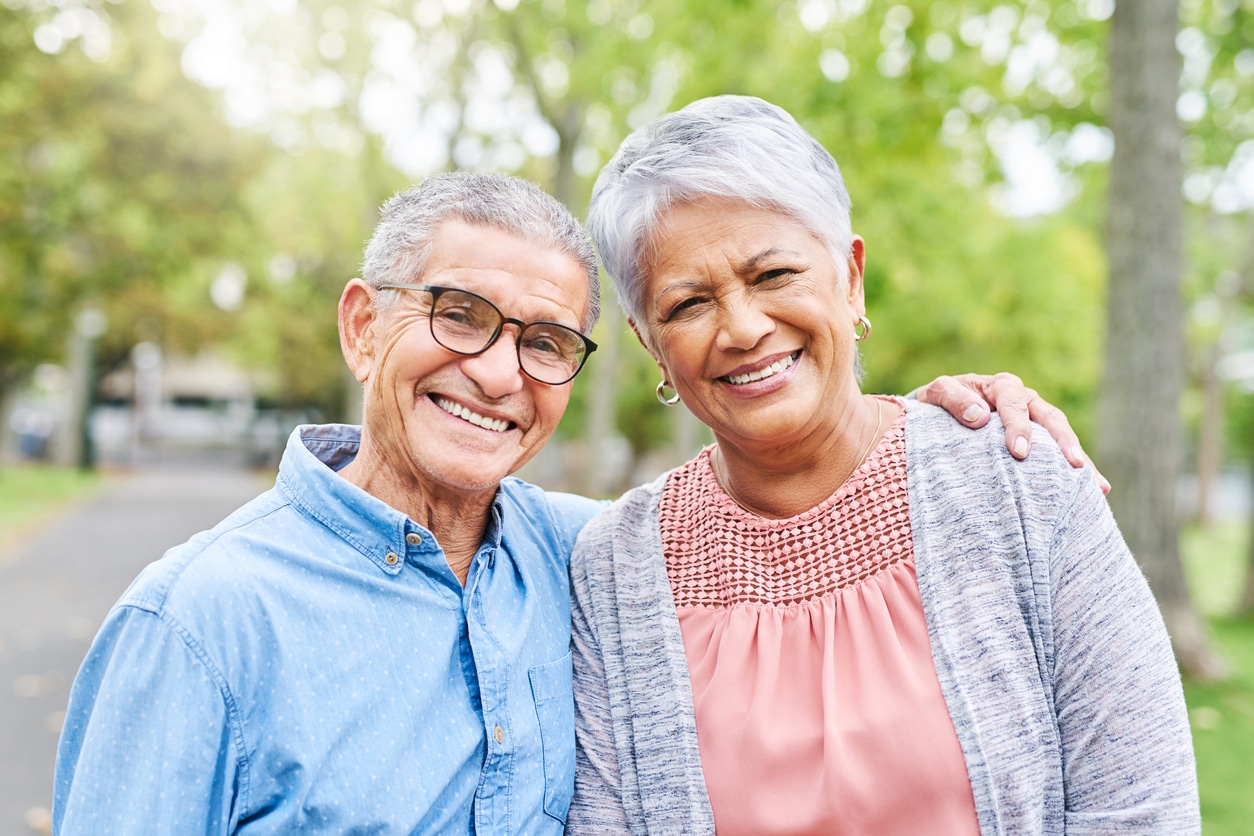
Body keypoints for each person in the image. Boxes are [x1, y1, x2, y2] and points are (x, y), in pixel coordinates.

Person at [54, 171, 1091, 834]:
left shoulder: (594, 556)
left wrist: (921, 426)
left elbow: (784, 513)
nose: (498, 373)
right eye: (460, 315)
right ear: (364, 327)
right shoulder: (197, 620)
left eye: (545, 341)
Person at [567, 96, 1199, 835]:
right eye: (688, 305)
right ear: (652, 345)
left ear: (851, 279)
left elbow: (1141, 810)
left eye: (773, 274)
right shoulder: (614, 568)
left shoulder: (1016, 482)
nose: (742, 328)